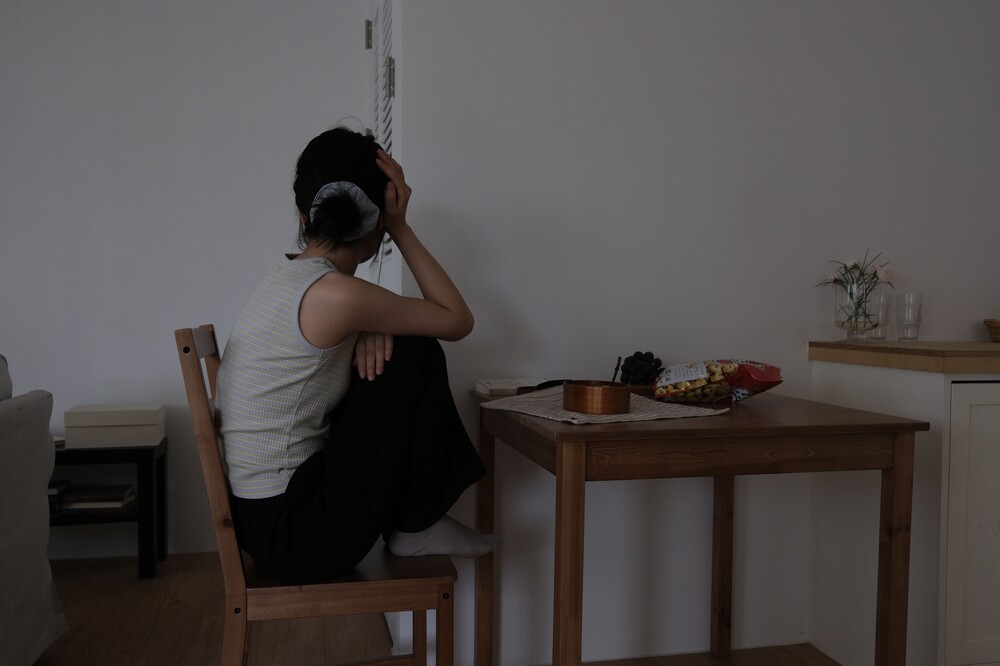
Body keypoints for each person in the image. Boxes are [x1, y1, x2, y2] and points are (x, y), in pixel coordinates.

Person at [215, 126, 495, 582]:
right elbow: (456, 319)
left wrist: (368, 325)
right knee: (415, 350)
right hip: (298, 535)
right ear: (378, 217)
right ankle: (416, 526)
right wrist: (401, 227)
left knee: (400, 344)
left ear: (302, 214)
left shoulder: (290, 282)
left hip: (267, 523)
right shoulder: (338, 296)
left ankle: (416, 524)